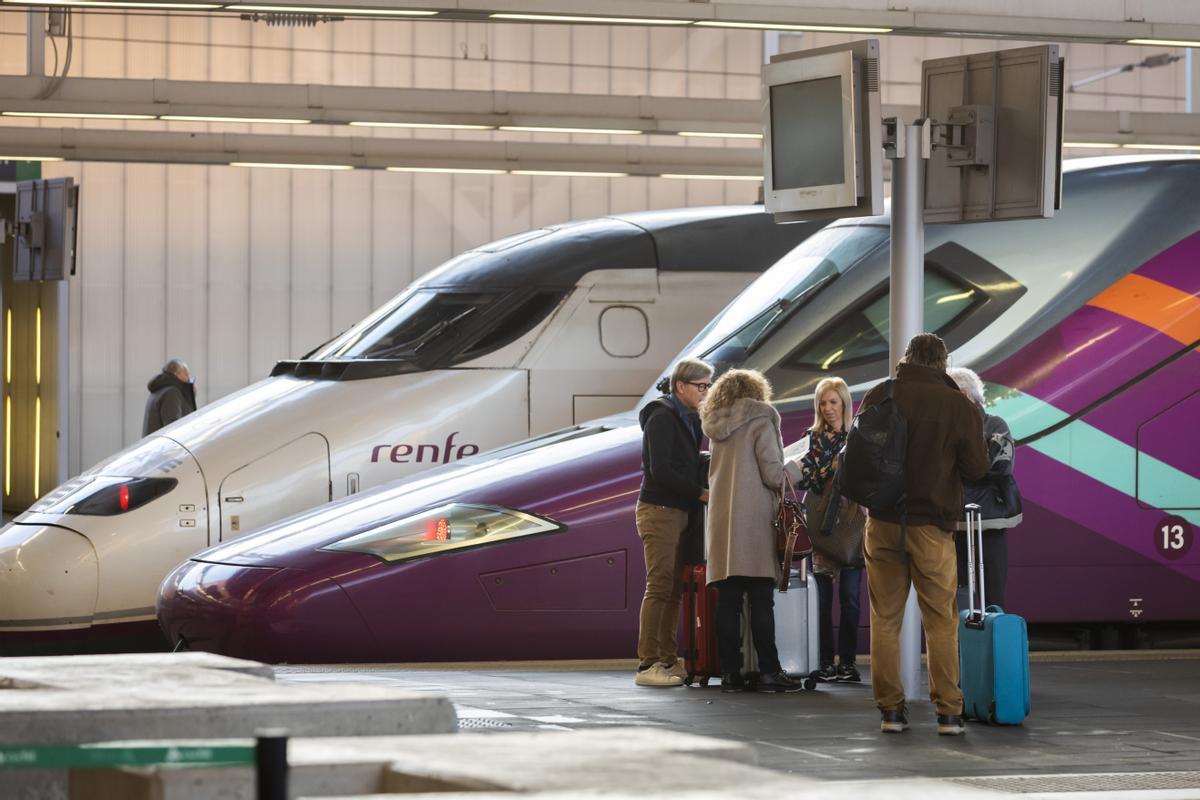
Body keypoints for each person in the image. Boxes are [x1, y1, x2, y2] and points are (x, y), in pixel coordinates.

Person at [858, 333, 989, 736]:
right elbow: (978, 469)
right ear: (943, 362)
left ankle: (890, 712)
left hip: (881, 523)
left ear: (907, 359)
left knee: (885, 620)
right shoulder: (956, 404)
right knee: (940, 622)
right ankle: (949, 712)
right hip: (931, 527)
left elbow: (860, 451)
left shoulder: (882, 392)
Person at [701, 369, 803, 693]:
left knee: (727, 602)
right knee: (761, 601)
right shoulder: (763, 419)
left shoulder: (716, 426)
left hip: (722, 524)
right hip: (755, 522)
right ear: (758, 391)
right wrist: (801, 465)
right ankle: (769, 672)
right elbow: (774, 475)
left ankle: (730, 674)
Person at [634, 357, 713, 687]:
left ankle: (667, 658)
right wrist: (700, 494)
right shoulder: (663, 417)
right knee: (659, 585)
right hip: (660, 510)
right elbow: (661, 470)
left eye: (708, 386)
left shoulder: (690, 418)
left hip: (680, 511)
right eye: (701, 387)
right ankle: (648, 663)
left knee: (674, 590)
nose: (706, 393)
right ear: (681, 386)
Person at [790, 376, 864, 684]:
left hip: (851, 522)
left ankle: (847, 661)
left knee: (851, 597)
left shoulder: (858, 437)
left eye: (833, 401)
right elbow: (805, 479)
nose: (828, 408)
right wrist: (830, 468)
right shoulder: (812, 437)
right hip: (821, 523)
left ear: (845, 403)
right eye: (823, 402)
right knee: (820, 598)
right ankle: (823, 660)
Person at [947, 367, 1023, 612]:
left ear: (970, 397)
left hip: (989, 523)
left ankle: (992, 648)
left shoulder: (996, 424)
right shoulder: (945, 430)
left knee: (993, 597)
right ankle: (961, 649)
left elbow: (1001, 466)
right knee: (959, 599)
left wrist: (962, 469)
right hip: (954, 524)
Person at [142, 358, 197, 436]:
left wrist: (191, 394)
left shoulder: (159, 390)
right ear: (176, 374)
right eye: (186, 374)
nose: (188, 379)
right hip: (163, 446)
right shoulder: (172, 392)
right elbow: (173, 426)